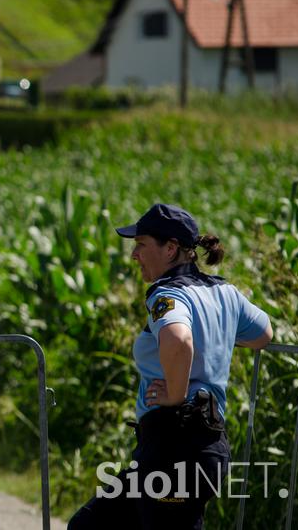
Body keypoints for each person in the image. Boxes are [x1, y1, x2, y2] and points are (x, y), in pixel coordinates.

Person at [68, 203, 273, 530]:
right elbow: (263, 334)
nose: (134, 254)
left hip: (176, 446)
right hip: (195, 445)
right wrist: (216, 334)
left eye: (141, 244)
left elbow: (178, 340)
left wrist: (175, 395)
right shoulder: (225, 292)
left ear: (171, 249)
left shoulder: (167, 294)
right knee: (90, 525)